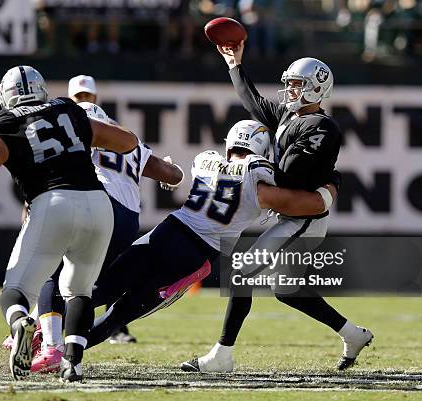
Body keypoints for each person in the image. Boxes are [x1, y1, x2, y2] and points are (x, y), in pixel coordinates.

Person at [0, 66, 139, 382]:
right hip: (98, 204)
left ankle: (21, 323)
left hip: (52, 203)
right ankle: (73, 363)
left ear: (7, 97)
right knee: (79, 291)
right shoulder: (68, 111)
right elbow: (126, 141)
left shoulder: (6, 123)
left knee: (15, 291)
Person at [181, 43, 373, 374]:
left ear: (317, 87)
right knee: (286, 290)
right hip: (292, 215)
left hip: (304, 218)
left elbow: (288, 174)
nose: (290, 89)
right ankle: (353, 335)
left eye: (297, 84)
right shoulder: (289, 115)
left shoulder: (322, 129)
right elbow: (253, 101)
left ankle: (221, 356)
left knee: (241, 275)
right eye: (290, 83)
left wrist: (248, 165)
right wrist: (234, 64)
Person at [81, 119, 340, 350]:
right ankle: (68, 355)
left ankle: (49, 331)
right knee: (119, 315)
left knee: (99, 289)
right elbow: (314, 204)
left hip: (165, 234)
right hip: (194, 256)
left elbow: (213, 176)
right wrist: (331, 184)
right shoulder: (260, 182)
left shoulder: (205, 161)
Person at [30, 102, 184, 373]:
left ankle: (48, 341)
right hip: (126, 221)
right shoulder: (126, 139)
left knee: (51, 271)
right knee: (85, 284)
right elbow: (174, 175)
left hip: (96, 206)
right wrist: (168, 169)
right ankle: (63, 345)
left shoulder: (73, 133)